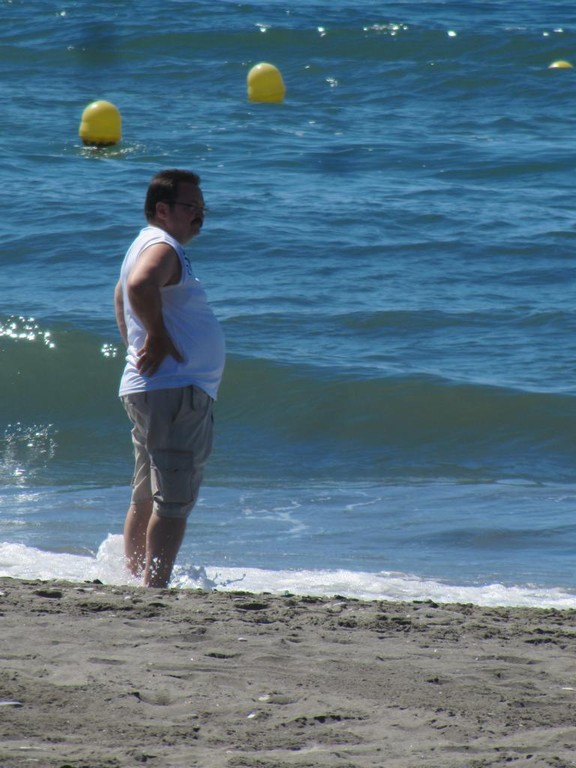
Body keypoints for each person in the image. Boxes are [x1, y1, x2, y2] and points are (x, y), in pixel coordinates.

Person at [114, 169, 225, 587]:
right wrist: (156, 337)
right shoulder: (163, 247)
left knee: (146, 495)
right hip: (174, 391)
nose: (199, 215)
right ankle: (153, 589)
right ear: (162, 210)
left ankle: (132, 579)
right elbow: (139, 285)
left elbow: (121, 292)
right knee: (173, 500)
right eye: (190, 206)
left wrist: (136, 345)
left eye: (202, 208)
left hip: (156, 388)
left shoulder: (145, 244)